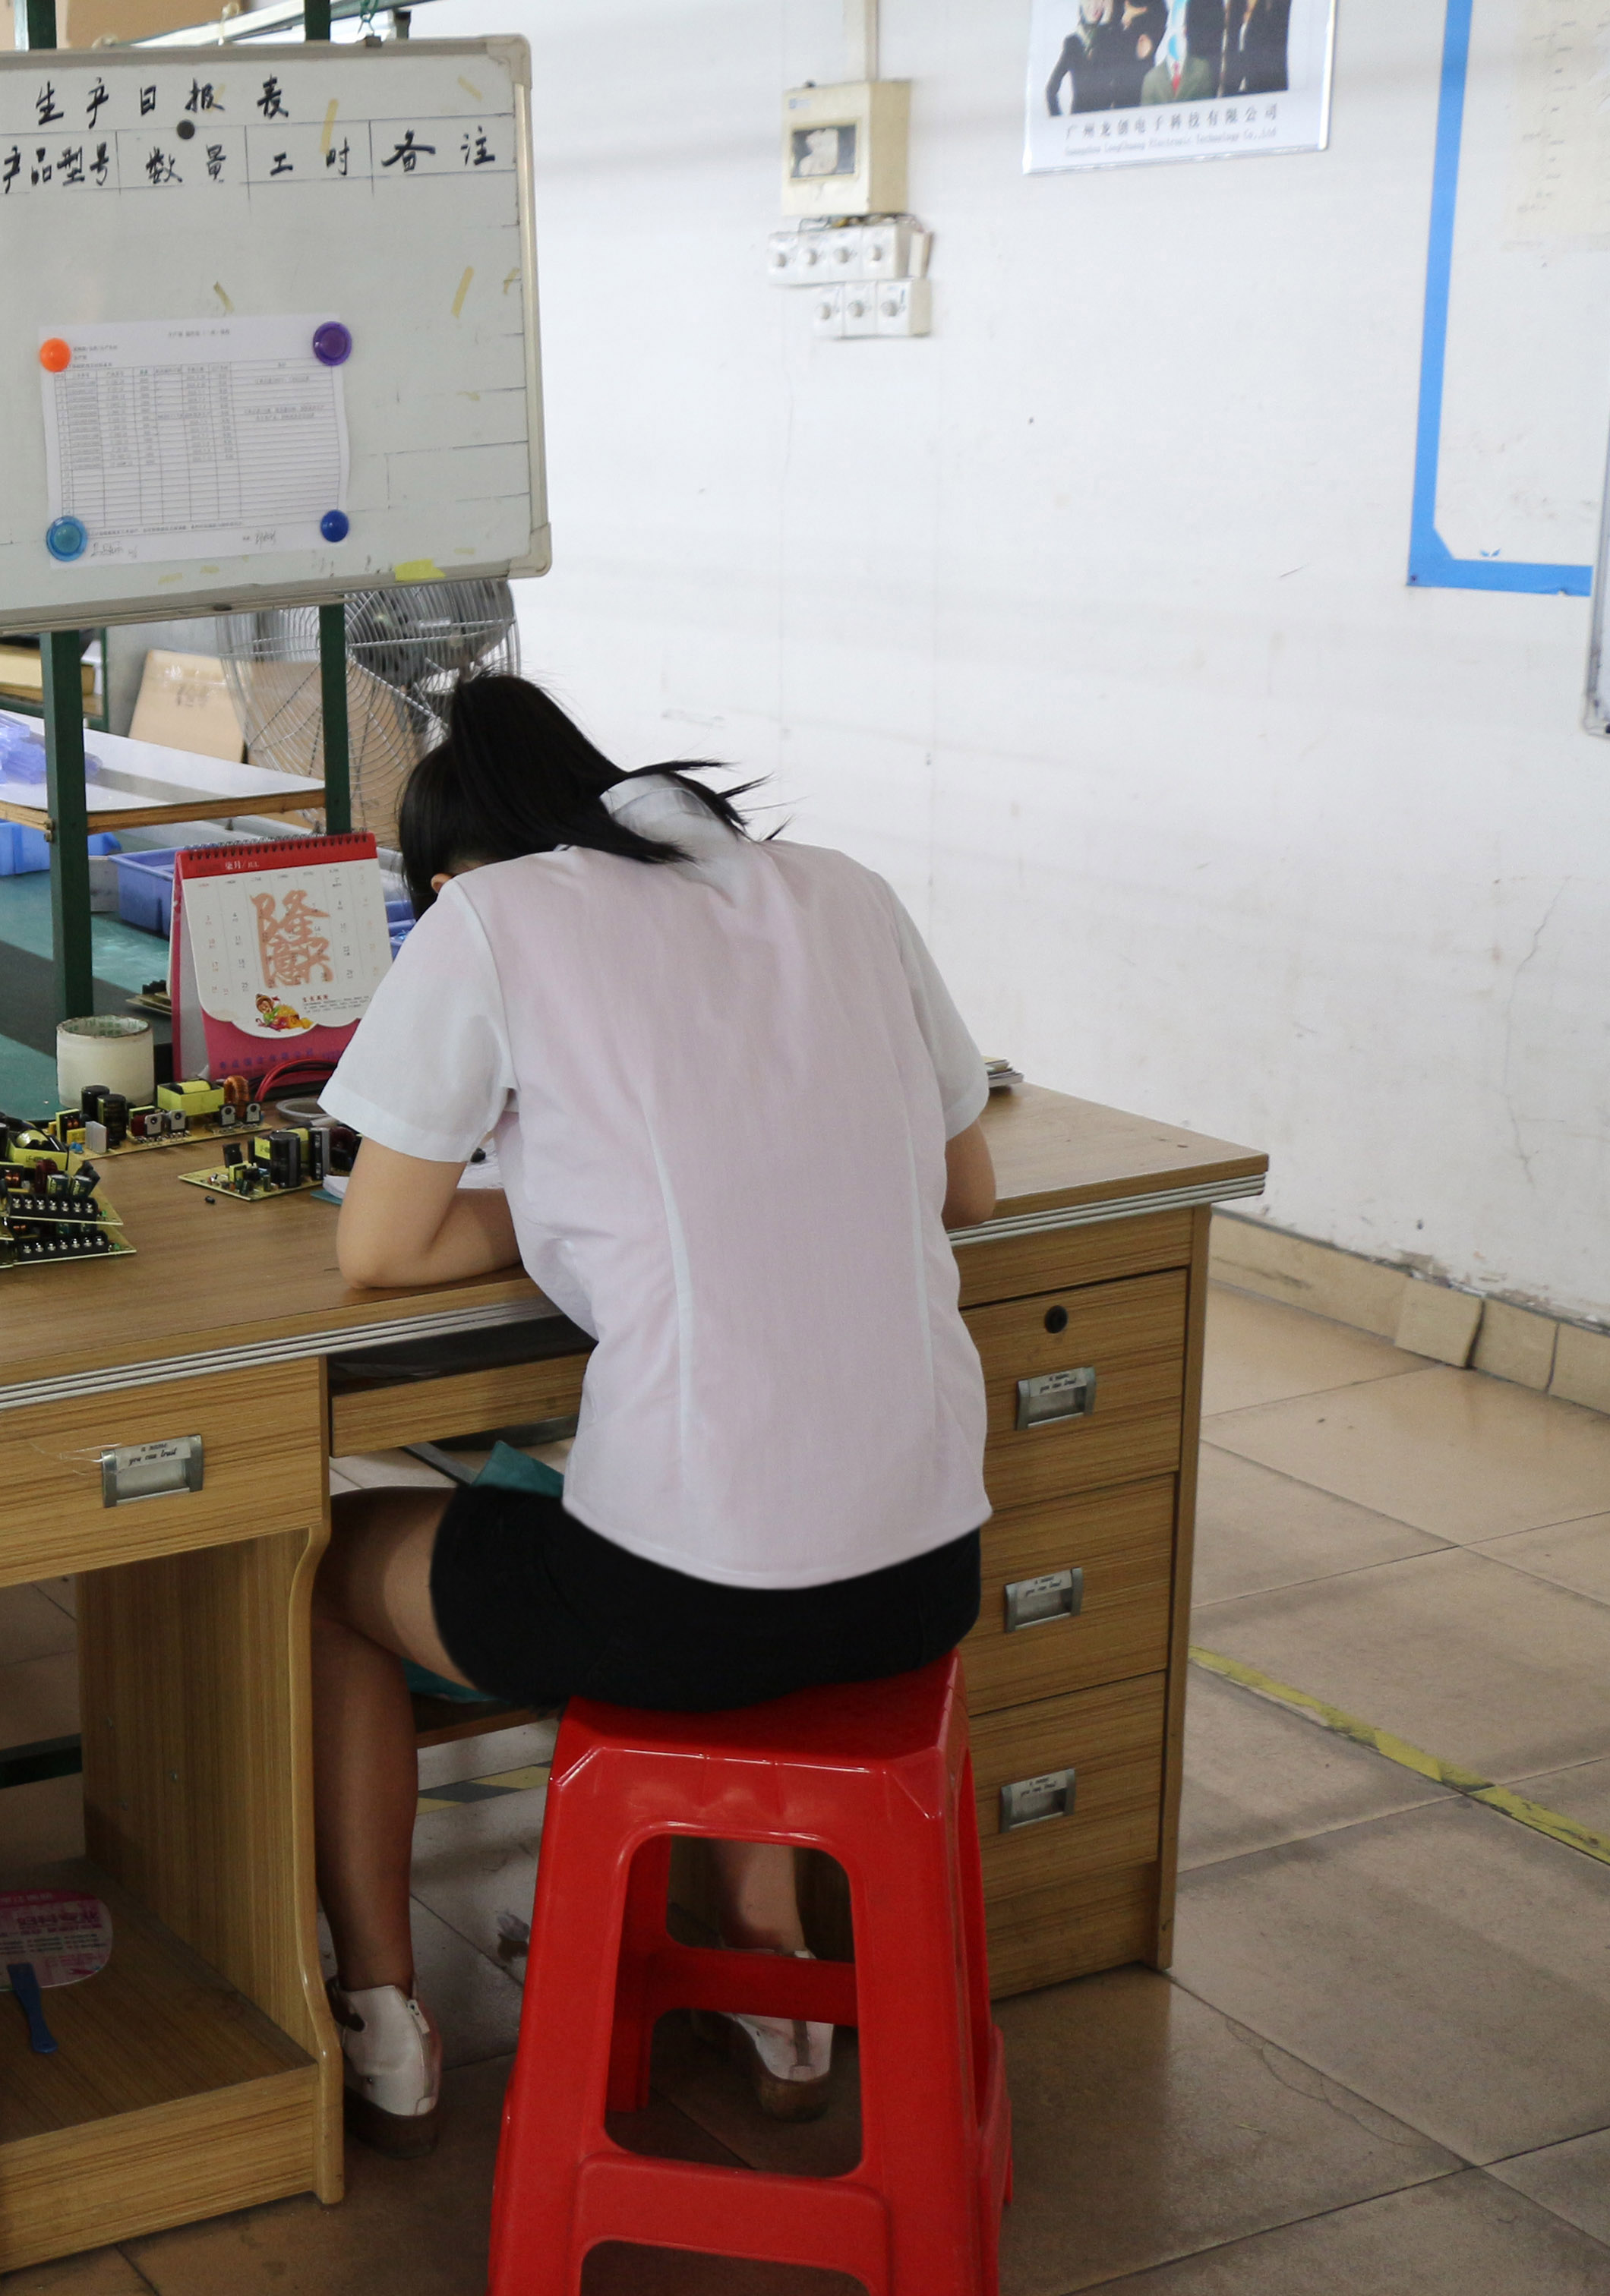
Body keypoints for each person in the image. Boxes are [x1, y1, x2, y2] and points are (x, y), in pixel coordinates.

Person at [308, 676, 999, 2159]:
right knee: (725, 1522)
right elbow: (967, 1186)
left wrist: (571, 1189)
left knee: (328, 1560)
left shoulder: (491, 918)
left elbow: (376, 1245)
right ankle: (777, 1990)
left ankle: (380, 2013)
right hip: (925, 1577)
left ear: (450, 869)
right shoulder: (843, 891)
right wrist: (649, 1184)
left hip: (694, 1612)